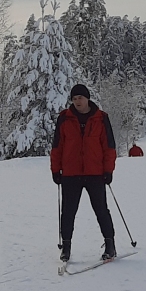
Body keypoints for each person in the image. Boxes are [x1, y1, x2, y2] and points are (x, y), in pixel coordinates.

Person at [50, 83, 117, 263]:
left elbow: (109, 146)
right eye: (74, 98)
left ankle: (110, 245)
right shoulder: (64, 119)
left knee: (101, 210)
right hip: (71, 174)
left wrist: (108, 169)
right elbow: (57, 146)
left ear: (87, 98)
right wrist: (56, 170)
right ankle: (66, 246)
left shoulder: (101, 118)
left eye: (80, 97)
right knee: (68, 212)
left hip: (95, 173)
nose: (77, 101)